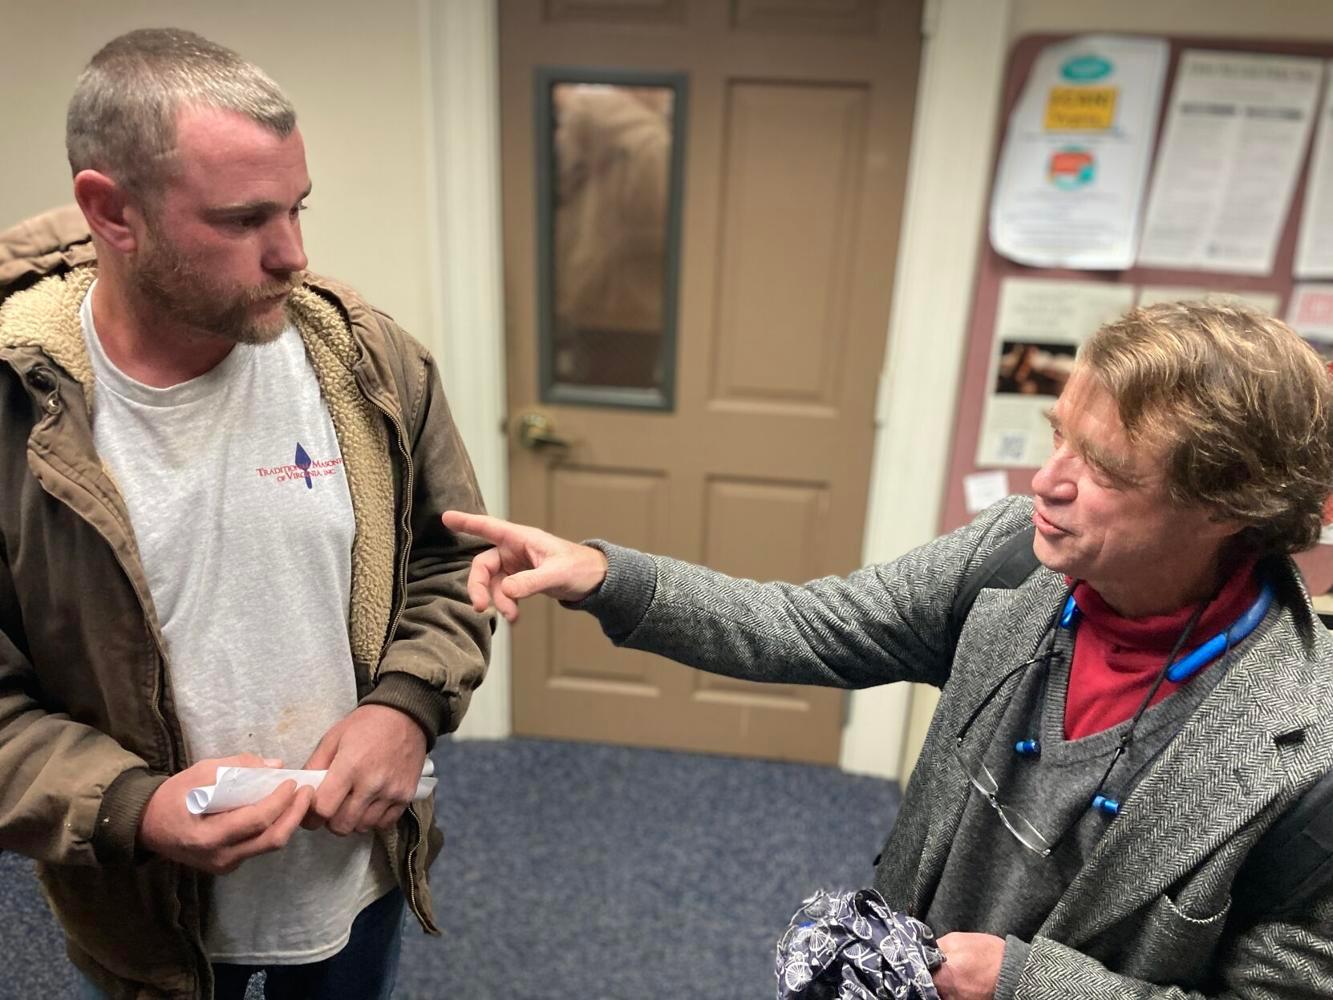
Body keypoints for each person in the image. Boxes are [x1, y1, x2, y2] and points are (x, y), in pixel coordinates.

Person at [444, 301, 1333, 999]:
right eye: (1057, 433)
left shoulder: (1309, 752)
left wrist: (1023, 986)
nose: (1046, 479)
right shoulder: (1011, 564)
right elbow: (801, 624)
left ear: (1226, 505)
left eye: (1102, 468)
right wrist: (602, 571)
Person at [0, 28, 493, 1000]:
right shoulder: (17, 409)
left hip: (356, 876)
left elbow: (452, 567)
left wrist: (406, 707)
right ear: (112, 211)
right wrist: (131, 806)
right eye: (242, 219)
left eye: (298, 208)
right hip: (147, 911)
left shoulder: (371, 364)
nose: (293, 254)